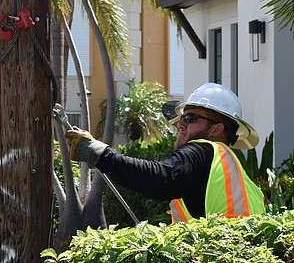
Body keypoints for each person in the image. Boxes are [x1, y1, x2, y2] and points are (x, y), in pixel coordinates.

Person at [65, 82, 265, 222]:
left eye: (191, 118)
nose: (181, 125)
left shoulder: (203, 151)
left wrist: (100, 154)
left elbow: (162, 178)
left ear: (216, 129)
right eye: (182, 119)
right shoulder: (235, 174)